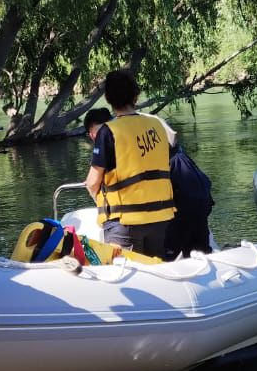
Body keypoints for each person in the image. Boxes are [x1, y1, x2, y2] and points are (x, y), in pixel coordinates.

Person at [82, 105, 212, 260]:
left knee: (149, 261)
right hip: (195, 198)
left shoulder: (118, 140)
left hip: (169, 209)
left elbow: (93, 182)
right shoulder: (152, 136)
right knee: (188, 255)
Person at [84, 70, 175, 259]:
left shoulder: (109, 131)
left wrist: (99, 200)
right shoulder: (157, 125)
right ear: (136, 95)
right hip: (161, 218)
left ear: (108, 98)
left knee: (126, 274)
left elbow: (92, 182)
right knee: (157, 271)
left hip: (124, 223)